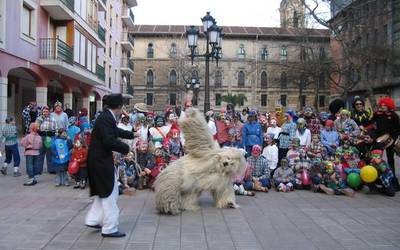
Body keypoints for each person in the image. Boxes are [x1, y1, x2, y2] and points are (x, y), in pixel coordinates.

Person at [85, 93, 134, 238]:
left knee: (103, 192)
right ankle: (110, 228)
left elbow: (115, 131)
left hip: (98, 160)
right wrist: (126, 149)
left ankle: (93, 219)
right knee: (110, 193)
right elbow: (109, 140)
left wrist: (132, 134)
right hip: (100, 161)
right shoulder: (107, 118)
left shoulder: (106, 116)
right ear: (119, 106)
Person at [372, 97, 400, 190]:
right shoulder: (377, 114)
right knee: (376, 159)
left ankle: (393, 181)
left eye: (385, 105)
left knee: (390, 159)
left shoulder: (393, 115)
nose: (383, 106)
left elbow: (398, 128)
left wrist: (395, 139)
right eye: (382, 105)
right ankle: (376, 179)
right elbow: (371, 123)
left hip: (390, 140)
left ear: (389, 106)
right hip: (379, 140)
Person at [36, 106, 58, 174]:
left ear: (49, 112)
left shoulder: (52, 119)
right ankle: (38, 170)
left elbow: (56, 129)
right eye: (44, 111)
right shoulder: (39, 118)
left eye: (46, 111)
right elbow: (35, 127)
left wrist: (55, 136)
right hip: (41, 137)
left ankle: (51, 169)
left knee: (49, 153)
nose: (45, 113)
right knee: (40, 153)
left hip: (49, 137)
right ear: (42, 112)